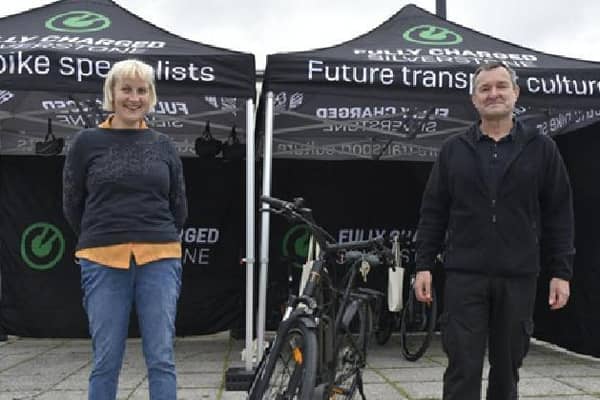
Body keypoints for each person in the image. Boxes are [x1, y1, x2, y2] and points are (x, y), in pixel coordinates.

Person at [414, 62, 574, 400]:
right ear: (474, 99)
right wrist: (423, 264)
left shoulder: (542, 149)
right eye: (485, 89)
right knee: (462, 366)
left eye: (501, 86)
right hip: (464, 276)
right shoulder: (453, 150)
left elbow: (559, 213)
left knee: (507, 368)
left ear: (516, 93)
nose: (494, 94)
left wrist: (561, 272)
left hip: (518, 276)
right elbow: (433, 211)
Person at [63, 59, 187, 400]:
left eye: (142, 90)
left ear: (151, 96)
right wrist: (100, 235)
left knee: (161, 358)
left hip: (160, 257)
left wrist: (156, 235)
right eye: (127, 89)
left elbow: (179, 205)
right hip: (101, 258)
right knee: (106, 359)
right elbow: (72, 204)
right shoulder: (86, 142)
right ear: (111, 93)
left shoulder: (163, 145)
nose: (134, 98)